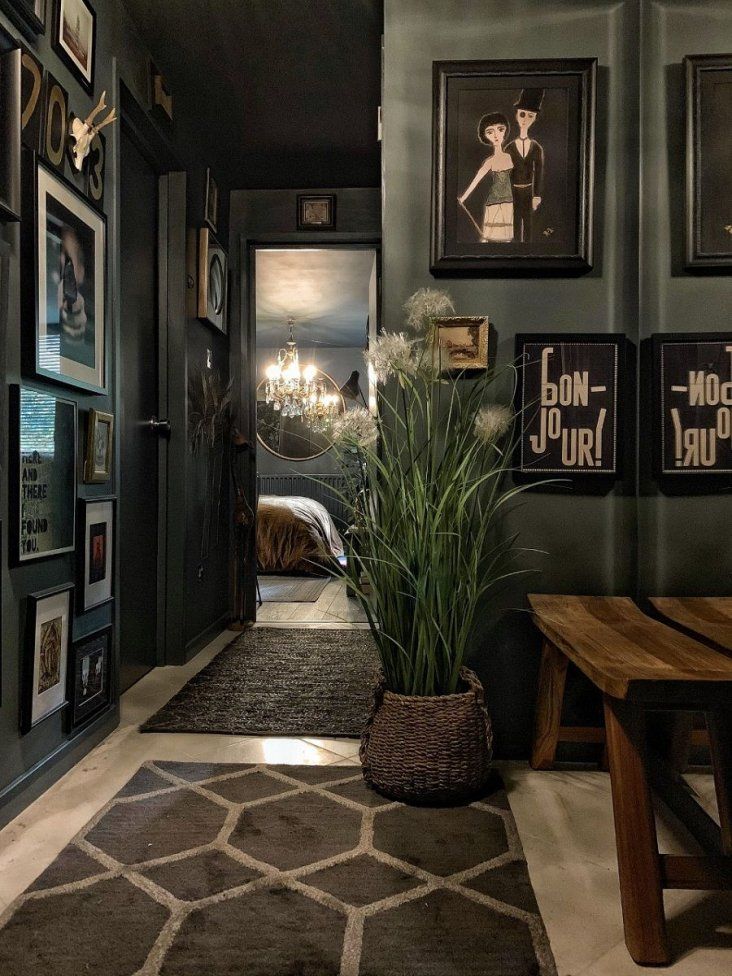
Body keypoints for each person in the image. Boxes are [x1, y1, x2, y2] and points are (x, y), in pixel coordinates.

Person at [458, 112, 514, 242]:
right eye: (490, 132)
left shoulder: (509, 157)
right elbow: (476, 180)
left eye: (500, 129)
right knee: (488, 237)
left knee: (507, 238)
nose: (496, 135)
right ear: (485, 136)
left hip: (509, 200)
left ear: (505, 131)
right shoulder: (490, 161)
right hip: (493, 201)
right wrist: (463, 197)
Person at [506, 88, 545, 243]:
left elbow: (539, 172)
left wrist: (537, 195)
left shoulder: (536, 148)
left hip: (529, 192)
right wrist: (507, 197)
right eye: (522, 114)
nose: (525, 119)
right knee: (515, 225)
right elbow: (507, 174)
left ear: (534, 119)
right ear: (516, 115)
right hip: (514, 192)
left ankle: (527, 253)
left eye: (530, 115)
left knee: (528, 226)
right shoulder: (509, 148)